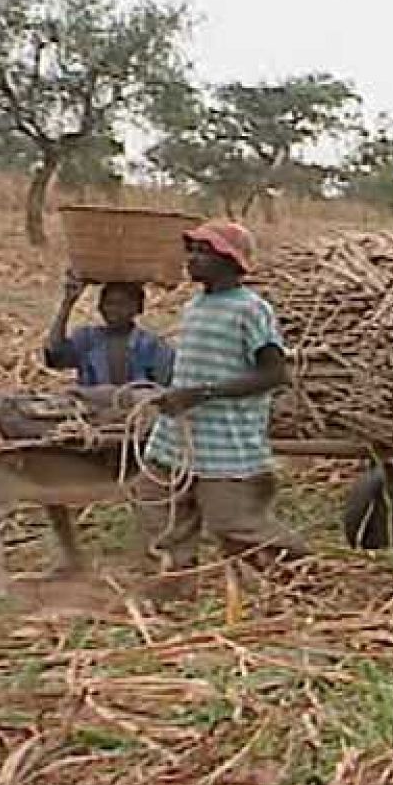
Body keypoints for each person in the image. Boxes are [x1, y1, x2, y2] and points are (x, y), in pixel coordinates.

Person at [134, 219, 310, 594]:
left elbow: (274, 374)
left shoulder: (251, 310)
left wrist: (203, 393)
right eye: (192, 250)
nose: (193, 259)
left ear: (231, 261)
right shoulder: (196, 305)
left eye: (204, 252)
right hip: (177, 436)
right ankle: (176, 587)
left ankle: (298, 566)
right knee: (156, 502)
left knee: (233, 523)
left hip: (226, 443)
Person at [44, 274, 175, 388]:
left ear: (138, 308)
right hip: (92, 412)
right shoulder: (87, 339)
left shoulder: (151, 345)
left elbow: (165, 385)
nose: (114, 310)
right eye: (109, 303)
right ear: (99, 307)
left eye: (122, 304)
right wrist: (67, 303)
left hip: (137, 413)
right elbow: (56, 355)